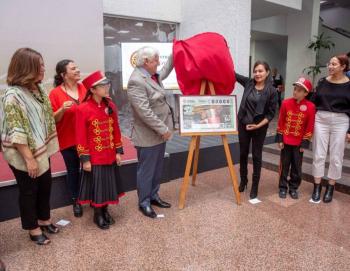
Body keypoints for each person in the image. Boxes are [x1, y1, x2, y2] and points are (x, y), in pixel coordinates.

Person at [0, 48, 59, 245]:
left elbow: (44, 119)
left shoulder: (38, 89)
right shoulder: (12, 95)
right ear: (27, 68)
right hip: (23, 153)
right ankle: (33, 228)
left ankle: (44, 219)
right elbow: (16, 131)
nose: (44, 68)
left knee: (45, 185)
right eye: (39, 65)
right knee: (29, 191)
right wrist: (29, 158)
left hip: (39, 149)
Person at [127, 46, 173, 218]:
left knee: (157, 169)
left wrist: (177, 50)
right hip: (148, 135)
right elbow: (144, 112)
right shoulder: (136, 80)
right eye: (155, 60)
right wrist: (163, 129)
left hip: (159, 134)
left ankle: (154, 196)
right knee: (146, 171)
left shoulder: (151, 75)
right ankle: (144, 202)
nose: (158, 63)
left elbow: (166, 68)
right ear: (146, 62)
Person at [75, 71, 125, 229]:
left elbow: (116, 129)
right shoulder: (82, 109)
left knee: (108, 185)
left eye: (107, 85)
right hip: (95, 158)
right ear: (93, 89)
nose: (107, 88)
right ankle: (98, 214)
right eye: (103, 86)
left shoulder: (110, 105)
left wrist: (118, 151)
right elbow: (80, 136)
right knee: (97, 187)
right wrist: (85, 159)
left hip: (109, 154)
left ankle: (105, 210)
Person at [49, 60, 87, 217]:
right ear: (63, 75)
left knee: (90, 168)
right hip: (68, 140)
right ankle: (76, 200)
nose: (78, 70)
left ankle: (91, 196)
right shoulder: (55, 93)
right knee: (73, 171)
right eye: (73, 69)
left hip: (86, 139)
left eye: (77, 67)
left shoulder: (84, 88)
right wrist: (61, 110)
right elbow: (52, 119)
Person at [310, 54, 350, 203]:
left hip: (341, 121)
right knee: (318, 154)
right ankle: (317, 186)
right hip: (321, 119)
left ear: (343, 67)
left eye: (334, 64)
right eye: (330, 64)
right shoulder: (322, 82)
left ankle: (330, 187)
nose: (330, 66)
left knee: (336, 156)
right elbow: (313, 103)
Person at [236, 61, 277, 199]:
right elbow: (233, 75)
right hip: (243, 125)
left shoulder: (272, 91)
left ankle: (255, 186)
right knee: (242, 153)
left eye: (260, 71)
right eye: (255, 71)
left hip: (259, 127)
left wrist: (258, 125)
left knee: (256, 156)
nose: (257, 74)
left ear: (267, 72)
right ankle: (243, 180)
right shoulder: (249, 83)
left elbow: (271, 114)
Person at [276, 77, 316, 199]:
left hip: (299, 143)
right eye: (295, 89)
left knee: (297, 167)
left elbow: (310, 126)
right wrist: (280, 139)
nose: (295, 92)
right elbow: (281, 121)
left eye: (299, 90)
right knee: (284, 165)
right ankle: (282, 187)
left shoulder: (310, 106)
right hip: (286, 141)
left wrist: (305, 143)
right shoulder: (285, 103)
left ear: (306, 93)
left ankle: (293, 188)